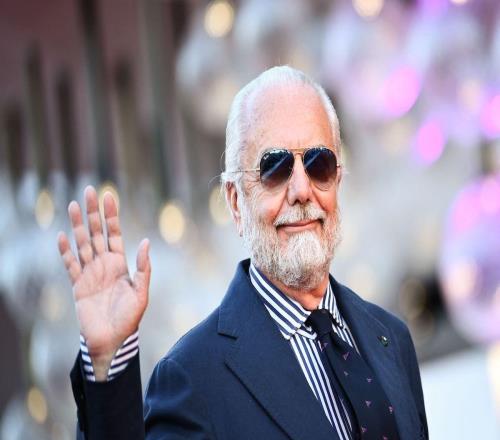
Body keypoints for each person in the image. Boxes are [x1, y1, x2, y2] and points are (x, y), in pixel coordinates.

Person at [59, 66, 428, 440]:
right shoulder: (192, 378)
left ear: (337, 179)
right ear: (236, 202)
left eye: (319, 163)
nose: (302, 190)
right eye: (275, 168)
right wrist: (107, 365)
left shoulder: (391, 338)